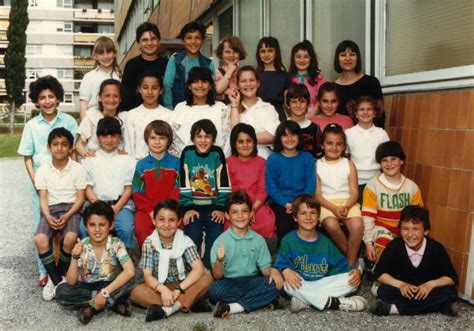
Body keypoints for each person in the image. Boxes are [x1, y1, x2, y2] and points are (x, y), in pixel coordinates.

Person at [18, 75, 78, 286]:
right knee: (43, 226)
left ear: (58, 98)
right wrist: (36, 182)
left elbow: (73, 153)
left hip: (64, 183)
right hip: (41, 186)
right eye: (42, 97)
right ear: (36, 100)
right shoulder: (32, 125)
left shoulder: (69, 121)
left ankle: (64, 269)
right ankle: (44, 270)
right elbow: (27, 156)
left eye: (51, 96)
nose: (47, 101)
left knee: (66, 228)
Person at [274, 195, 367, 313]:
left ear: (318, 217)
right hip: (300, 283)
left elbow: (342, 266)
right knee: (287, 285)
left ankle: (306, 301)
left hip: (321, 282)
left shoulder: (326, 243)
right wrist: (285, 269)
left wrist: (355, 271)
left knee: (351, 281)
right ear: (295, 217)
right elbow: (280, 264)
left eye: (312, 213)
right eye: (303, 213)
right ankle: (336, 303)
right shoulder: (288, 240)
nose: (308, 217)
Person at [130, 199, 213, 322]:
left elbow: (198, 268)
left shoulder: (184, 241)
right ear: (154, 221)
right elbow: (147, 276)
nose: (166, 225)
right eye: (161, 219)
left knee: (207, 278)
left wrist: (179, 289)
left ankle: (169, 309)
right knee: (136, 292)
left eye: (172, 220)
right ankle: (188, 301)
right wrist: (163, 290)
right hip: (158, 286)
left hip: (183, 284)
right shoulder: (150, 242)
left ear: (179, 221)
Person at [55, 201, 136, 324]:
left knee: (138, 273)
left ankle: (92, 306)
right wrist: (75, 257)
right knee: (61, 291)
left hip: (112, 284)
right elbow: (71, 281)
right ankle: (112, 303)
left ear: (111, 225)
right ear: (86, 227)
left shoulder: (116, 244)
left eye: (102, 224)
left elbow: (129, 272)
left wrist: (104, 293)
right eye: (92, 225)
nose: (97, 229)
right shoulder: (82, 245)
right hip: (89, 287)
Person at [371, 205, 458, 316]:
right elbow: (380, 273)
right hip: (402, 291)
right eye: (405, 229)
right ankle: (441, 306)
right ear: (400, 230)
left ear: (426, 231)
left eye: (415, 229)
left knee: (450, 292)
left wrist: (430, 285)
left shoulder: (436, 248)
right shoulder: (394, 246)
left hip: (427, 291)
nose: (410, 234)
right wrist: (401, 285)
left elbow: (451, 278)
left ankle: (394, 309)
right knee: (383, 291)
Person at [208, 191, 284, 319]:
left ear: (250, 214)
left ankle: (232, 307)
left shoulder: (258, 239)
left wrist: (274, 271)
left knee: (275, 285)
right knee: (214, 290)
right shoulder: (220, 241)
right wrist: (219, 261)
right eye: (235, 212)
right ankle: (260, 301)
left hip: (252, 281)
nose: (240, 216)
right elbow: (217, 275)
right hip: (229, 283)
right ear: (227, 215)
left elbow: (265, 271)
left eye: (244, 211)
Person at [34, 128, 86, 301]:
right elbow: (42, 197)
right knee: (40, 239)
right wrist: (47, 216)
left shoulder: (77, 169)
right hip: (51, 209)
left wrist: (69, 215)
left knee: (70, 237)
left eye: (64, 145)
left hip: (71, 208)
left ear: (71, 148)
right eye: (55, 144)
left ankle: (57, 274)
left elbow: (80, 199)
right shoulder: (42, 170)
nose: (59, 148)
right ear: (49, 147)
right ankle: (56, 280)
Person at [179, 119, 231, 268]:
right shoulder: (187, 152)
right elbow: (184, 180)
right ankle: (192, 269)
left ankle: (209, 269)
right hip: (192, 206)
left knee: (215, 235)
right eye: (199, 136)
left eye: (207, 137)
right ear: (193, 138)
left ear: (213, 139)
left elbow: (223, 181)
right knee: (192, 233)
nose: (203, 140)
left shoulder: (217, 153)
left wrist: (221, 208)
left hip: (213, 207)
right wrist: (187, 207)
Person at [363, 141, 423, 268]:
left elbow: (419, 218)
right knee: (384, 241)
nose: (389, 163)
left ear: (401, 161)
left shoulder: (412, 187)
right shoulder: (373, 186)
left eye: (393, 159)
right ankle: (380, 276)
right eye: (385, 160)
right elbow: (368, 217)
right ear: (380, 164)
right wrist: (368, 243)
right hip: (381, 228)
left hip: (405, 229)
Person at [79, 117, 136, 250]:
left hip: (120, 206)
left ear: (120, 138)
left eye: (113, 136)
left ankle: (124, 262)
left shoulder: (128, 160)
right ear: (98, 138)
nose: (109, 140)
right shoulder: (90, 160)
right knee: (83, 228)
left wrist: (115, 209)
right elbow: (88, 189)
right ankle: (91, 260)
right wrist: (101, 208)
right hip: (96, 205)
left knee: (126, 228)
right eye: (104, 136)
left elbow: (128, 189)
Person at [315, 124, 363, 266]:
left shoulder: (348, 164)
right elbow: (317, 194)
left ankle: (349, 264)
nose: (334, 147)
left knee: (357, 225)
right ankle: (351, 257)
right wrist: (333, 208)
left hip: (348, 202)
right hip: (326, 203)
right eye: (329, 143)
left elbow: (354, 191)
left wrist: (347, 206)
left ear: (344, 147)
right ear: (322, 145)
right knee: (331, 224)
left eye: (338, 144)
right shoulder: (317, 165)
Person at [266, 120, 316, 244]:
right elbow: (271, 188)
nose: (289, 138)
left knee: (308, 221)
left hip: (303, 202)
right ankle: (285, 258)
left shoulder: (307, 158)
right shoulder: (273, 159)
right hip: (281, 204)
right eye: (285, 135)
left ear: (299, 137)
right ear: (279, 138)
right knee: (284, 225)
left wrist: (299, 204)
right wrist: (286, 204)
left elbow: (310, 185)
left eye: (293, 135)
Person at [132, 120, 180, 248]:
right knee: (141, 229)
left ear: (168, 140)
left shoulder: (177, 163)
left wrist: (169, 210)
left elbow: (178, 188)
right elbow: (137, 191)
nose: (157, 142)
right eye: (153, 138)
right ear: (147, 140)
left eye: (161, 138)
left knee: (179, 228)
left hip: (172, 210)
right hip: (148, 211)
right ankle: (149, 260)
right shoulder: (141, 165)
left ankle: (173, 259)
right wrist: (150, 211)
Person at [226, 123, 276, 240]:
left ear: (254, 142)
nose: (245, 145)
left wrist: (252, 209)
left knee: (266, 223)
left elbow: (263, 189)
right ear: (234, 143)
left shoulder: (261, 162)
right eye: (240, 141)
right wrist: (242, 210)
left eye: (249, 141)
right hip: (235, 206)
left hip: (257, 205)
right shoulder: (227, 162)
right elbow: (228, 190)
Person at [173, 67, 230, 155]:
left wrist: (218, 160)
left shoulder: (221, 108)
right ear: (189, 86)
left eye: (204, 81)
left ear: (210, 86)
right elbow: (174, 139)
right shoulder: (180, 108)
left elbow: (227, 139)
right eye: (195, 81)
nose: (200, 85)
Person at [228, 65, 280, 159]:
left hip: (264, 161)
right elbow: (234, 134)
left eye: (251, 80)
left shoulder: (268, 108)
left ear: (258, 83)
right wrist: (235, 106)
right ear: (238, 86)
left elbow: (272, 136)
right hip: (238, 162)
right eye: (243, 81)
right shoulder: (230, 108)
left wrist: (242, 138)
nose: (248, 84)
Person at [345, 96, 389, 203]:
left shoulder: (381, 134)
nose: (365, 112)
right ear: (355, 113)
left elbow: (387, 157)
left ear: (374, 113)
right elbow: (345, 158)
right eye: (361, 109)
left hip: (376, 181)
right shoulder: (348, 133)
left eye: (369, 109)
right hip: (354, 182)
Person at [163, 21, 215, 109]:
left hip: (202, 109)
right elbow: (167, 85)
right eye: (189, 38)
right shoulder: (175, 60)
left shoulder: (208, 63)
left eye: (197, 38)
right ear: (183, 40)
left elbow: (213, 88)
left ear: (203, 41)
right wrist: (169, 108)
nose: (193, 41)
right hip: (178, 109)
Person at [333, 40, 385, 127]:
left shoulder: (371, 82)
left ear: (358, 58)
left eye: (352, 54)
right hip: (340, 137)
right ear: (337, 59)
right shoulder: (333, 88)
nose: (348, 58)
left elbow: (380, 115)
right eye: (343, 55)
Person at [121, 22, 168, 111]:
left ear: (158, 41)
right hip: (136, 115)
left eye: (153, 39)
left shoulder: (167, 64)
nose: (149, 43)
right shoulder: (131, 65)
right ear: (139, 43)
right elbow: (126, 95)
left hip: (162, 115)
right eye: (145, 40)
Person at [125, 72, 172, 160]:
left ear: (161, 90)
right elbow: (128, 146)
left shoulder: (169, 115)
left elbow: (172, 146)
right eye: (145, 87)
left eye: (154, 88)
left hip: (164, 166)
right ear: (139, 89)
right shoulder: (131, 115)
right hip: (138, 165)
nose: (150, 92)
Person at [76, 79, 126, 158]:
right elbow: (79, 144)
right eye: (107, 95)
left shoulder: (125, 118)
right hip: (95, 161)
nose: (111, 100)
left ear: (120, 99)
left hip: (117, 162)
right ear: (99, 97)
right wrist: (87, 155)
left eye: (115, 96)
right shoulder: (91, 116)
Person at [79, 36, 121, 120]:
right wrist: (84, 127)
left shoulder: (120, 76)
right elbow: (83, 104)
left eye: (109, 52)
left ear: (115, 54)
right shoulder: (89, 77)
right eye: (101, 53)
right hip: (93, 120)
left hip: (115, 119)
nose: (105, 56)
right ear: (95, 56)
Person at [256, 36, 291, 122]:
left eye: (270, 51)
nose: (266, 54)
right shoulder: (254, 75)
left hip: (278, 115)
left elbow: (287, 104)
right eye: (263, 51)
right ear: (259, 54)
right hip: (258, 114)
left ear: (276, 53)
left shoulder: (284, 76)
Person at [289, 40, 327, 118]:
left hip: (313, 116)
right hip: (293, 117)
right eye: (298, 57)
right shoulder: (288, 78)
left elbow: (320, 100)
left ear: (311, 59)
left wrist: (310, 115)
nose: (302, 60)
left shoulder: (318, 78)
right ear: (293, 59)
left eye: (306, 57)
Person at [285, 83, 322, 159]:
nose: (298, 105)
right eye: (294, 102)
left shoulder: (315, 128)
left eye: (302, 101)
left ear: (307, 104)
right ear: (288, 105)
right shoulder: (282, 127)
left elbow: (319, 155)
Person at [214, 36, 247, 102]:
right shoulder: (216, 72)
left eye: (235, 52)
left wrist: (225, 91)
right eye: (227, 52)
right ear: (221, 54)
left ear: (240, 54)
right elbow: (218, 90)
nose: (231, 55)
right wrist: (230, 71)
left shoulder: (245, 73)